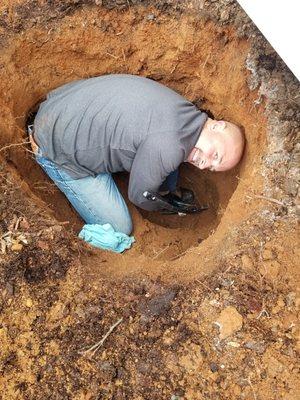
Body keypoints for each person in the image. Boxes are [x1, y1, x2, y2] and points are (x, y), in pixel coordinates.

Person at [28, 74, 244, 236]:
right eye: (216, 155)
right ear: (218, 125)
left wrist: (167, 188)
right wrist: (166, 206)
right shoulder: (168, 146)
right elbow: (139, 196)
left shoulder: (184, 110)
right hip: (56, 147)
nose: (205, 165)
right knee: (121, 228)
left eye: (213, 167)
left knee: (160, 161)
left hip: (60, 105)